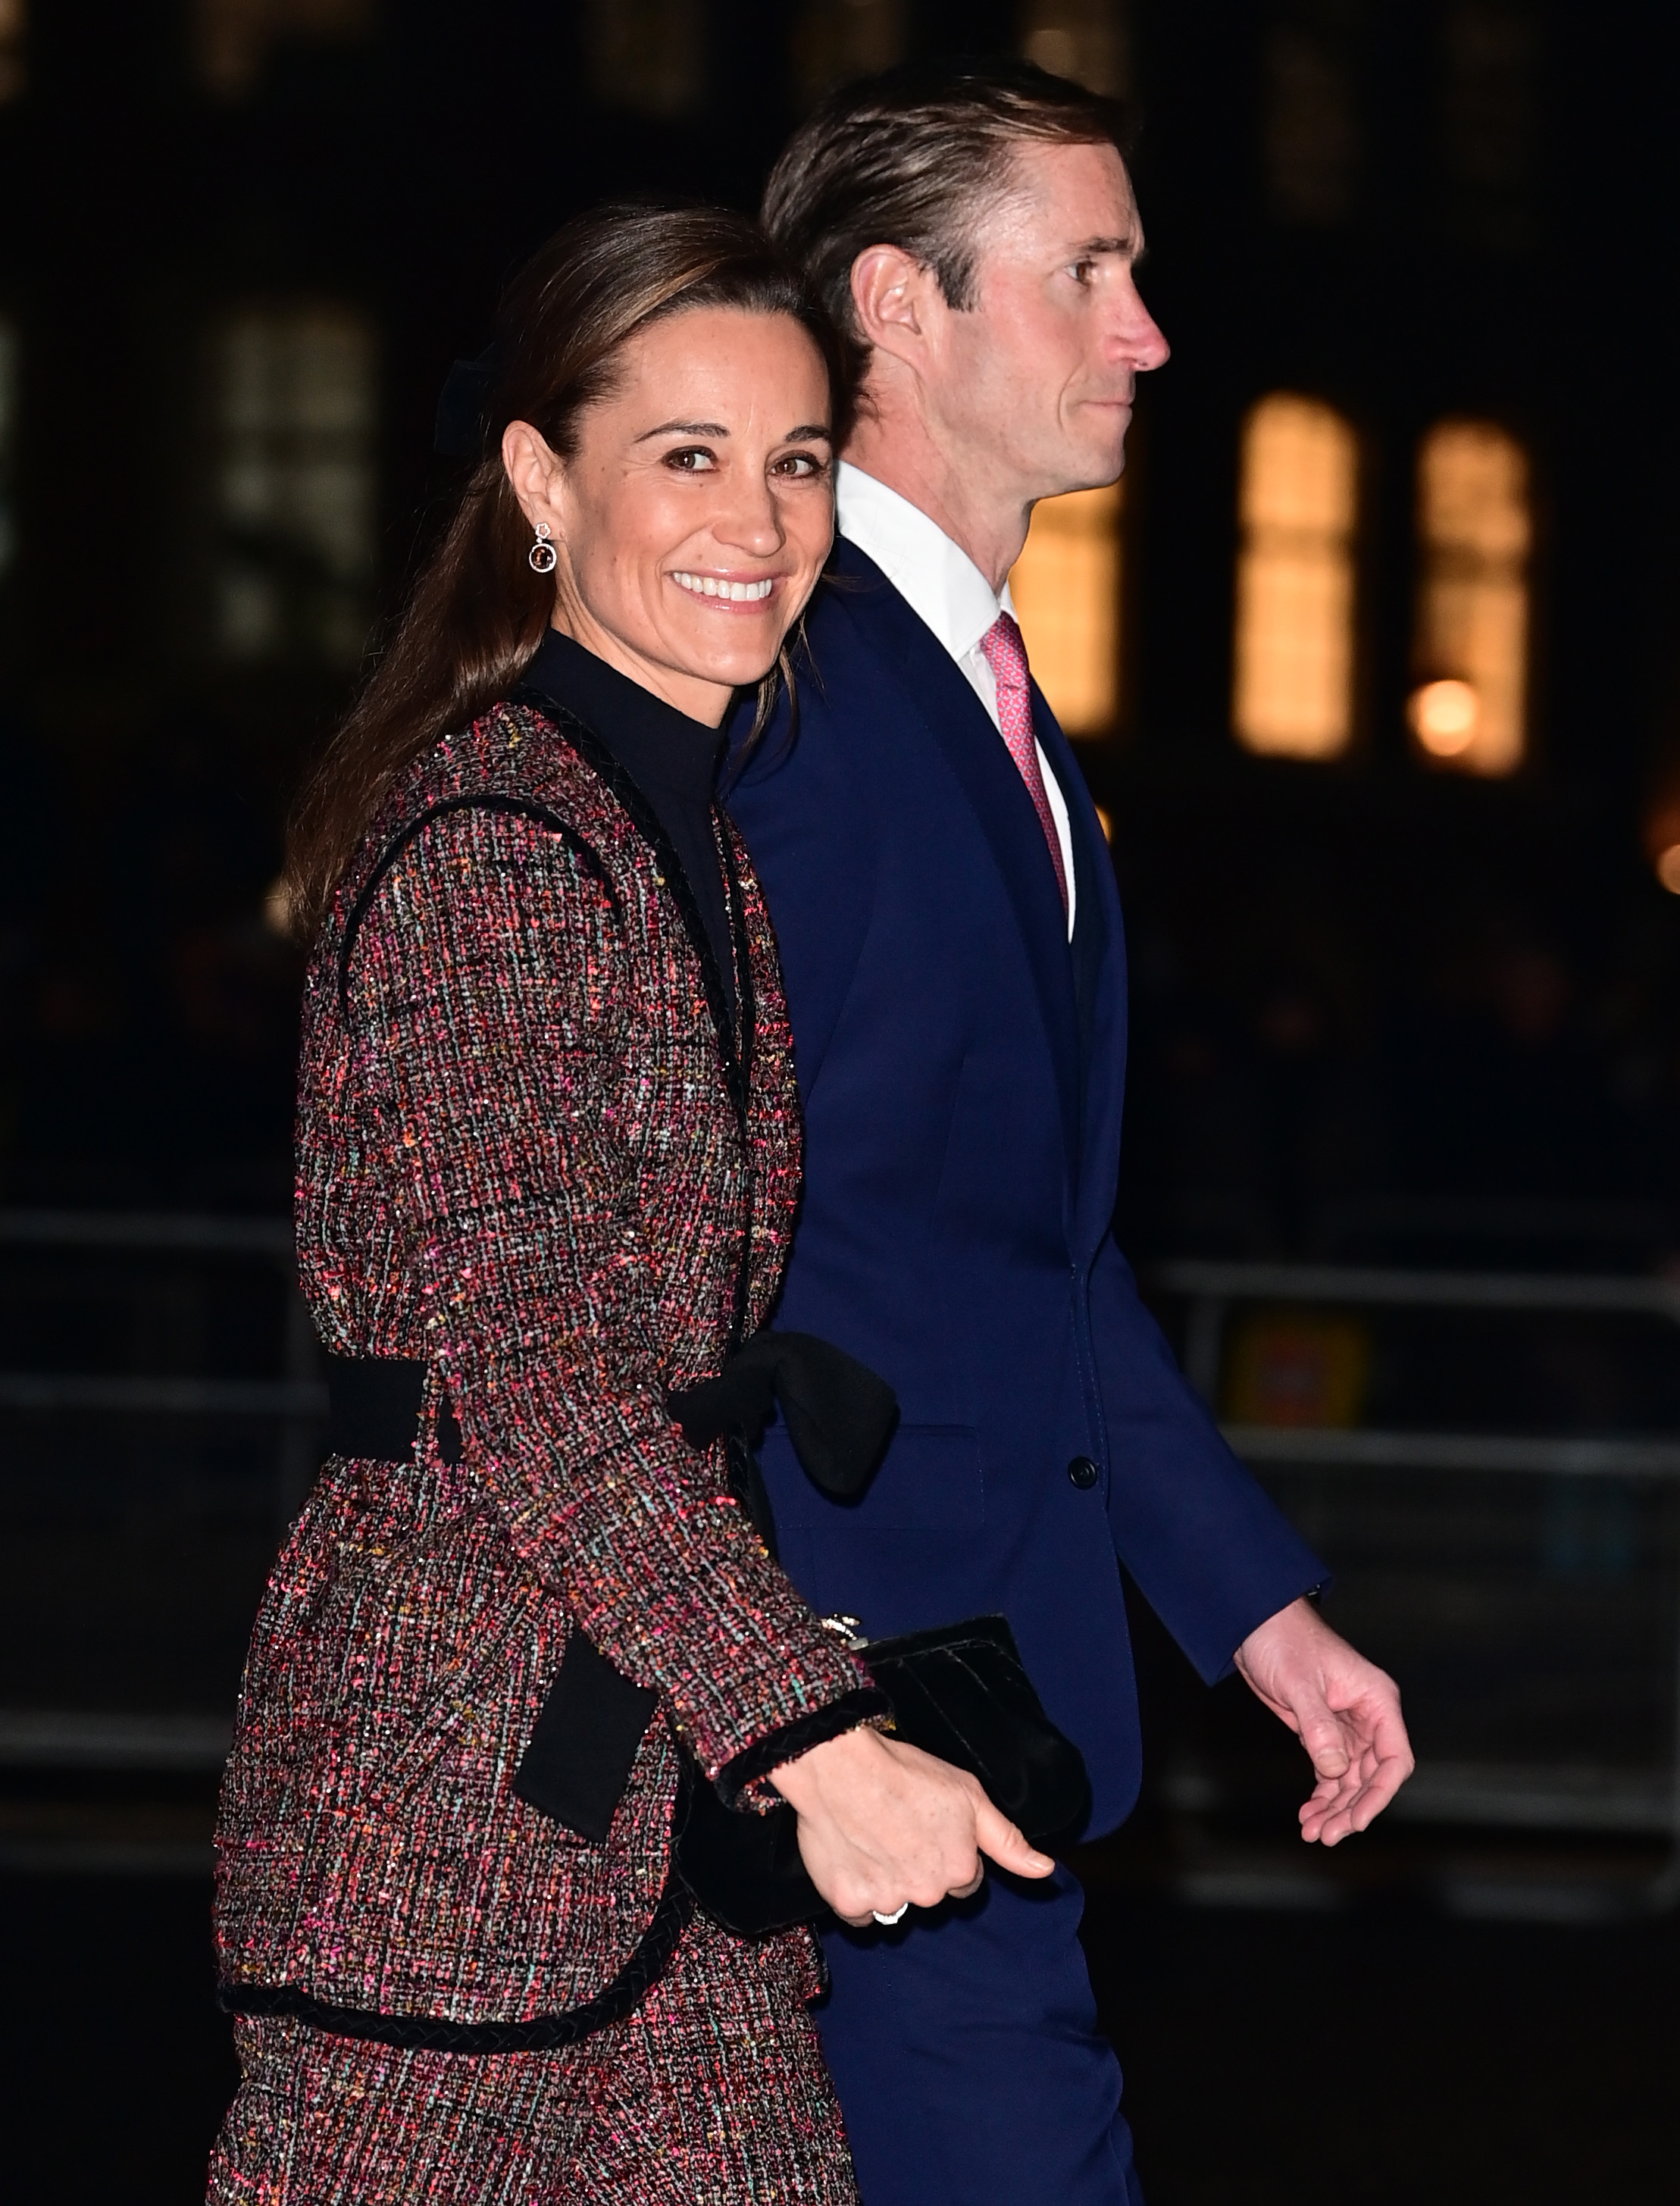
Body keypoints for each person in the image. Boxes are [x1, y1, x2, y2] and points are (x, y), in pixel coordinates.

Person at [208, 202, 1050, 2206]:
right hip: (453, 1827)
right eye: (685, 455)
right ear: (534, 478)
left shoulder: (676, 817)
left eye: (794, 459)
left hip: (651, 1832)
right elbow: (532, 1374)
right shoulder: (500, 842)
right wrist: (812, 1740)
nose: (753, 519)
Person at [724, 62, 1417, 2206]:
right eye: (1087, 272)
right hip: (853, 1732)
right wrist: (786, 1712)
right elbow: (698, 1238)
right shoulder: (797, 699)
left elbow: (1032, 1247)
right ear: (896, 310)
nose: (1145, 331)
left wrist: (1254, 1613)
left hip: (981, 1717)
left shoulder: (979, 704)